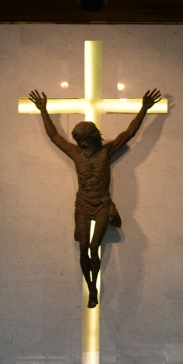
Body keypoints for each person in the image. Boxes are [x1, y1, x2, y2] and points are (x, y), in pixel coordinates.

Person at [28, 88, 162, 308]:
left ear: (93, 138)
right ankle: (91, 287)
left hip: (101, 204)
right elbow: (54, 137)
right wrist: (44, 110)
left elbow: (129, 133)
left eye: (86, 140)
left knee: (93, 247)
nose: (82, 144)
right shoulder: (75, 153)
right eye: (79, 140)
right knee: (82, 248)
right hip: (82, 204)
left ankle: (94, 288)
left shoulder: (106, 152)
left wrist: (144, 108)